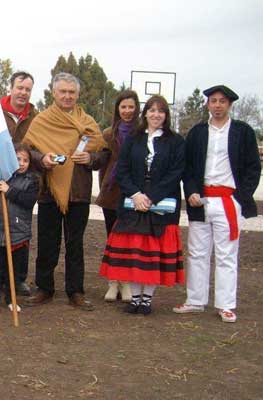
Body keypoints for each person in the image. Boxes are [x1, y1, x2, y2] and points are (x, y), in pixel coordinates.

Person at [173, 85, 260, 323]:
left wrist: (241, 197)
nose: (218, 105)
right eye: (213, 101)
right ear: (207, 104)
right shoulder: (198, 132)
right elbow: (188, 167)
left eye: (222, 101)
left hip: (229, 201)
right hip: (200, 200)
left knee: (226, 255)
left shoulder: (243, 132)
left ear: (230, 104)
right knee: (198, 252)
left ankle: (226, 304)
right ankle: (195, 300)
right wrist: (190, 190)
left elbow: (254, 167)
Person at [23, 72, 105, 311]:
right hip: (49, 191)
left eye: (72, 92)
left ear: (77, 95)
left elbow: (103, 154)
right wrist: (41, 158)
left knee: (75, 244)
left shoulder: (88, 123)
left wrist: (91, 158)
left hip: (78, 192)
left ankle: (75, 291)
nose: (67, 96)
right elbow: (27, 152)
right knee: (47, 242)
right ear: (54, 93)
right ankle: (44, 288)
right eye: (63, 92)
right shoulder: (41, 121)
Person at [99, 95, 186, 315]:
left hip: (161, 205)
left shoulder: (175, 141)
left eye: (161, 111)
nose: (156, 115)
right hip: (133, 203)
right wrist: (136, 194)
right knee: (136, 254)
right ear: (145, 113)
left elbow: (176, 172)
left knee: (152, 255)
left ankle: (147, 299)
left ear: (166, 115)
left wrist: (152, 197)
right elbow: (123, 169)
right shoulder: (134, 139)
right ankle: (135, 298)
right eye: (152, 110)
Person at [96, 90, 140, 303]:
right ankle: (113, 282)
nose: (127, 111)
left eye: (131, 106)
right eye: (123, 107)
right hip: (112, 193)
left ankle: (128, 282)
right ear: (117, 109)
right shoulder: (107, 134)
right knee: (112, 238)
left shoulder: (142, 133)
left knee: (130, 239)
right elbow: (102, 164)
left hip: (134, 193)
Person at [0, 143, 38, 314]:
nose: (21, 163)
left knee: (13, 269)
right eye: (17, 159)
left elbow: (28, 201)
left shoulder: (32, 181)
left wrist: (9, 191)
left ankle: (10, 298)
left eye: (25, 160)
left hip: (19, 233)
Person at [0, 71, 38, 296]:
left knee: (22, 230)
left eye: (28, 89)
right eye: (20, 87)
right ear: (11, 87)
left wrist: (39, 159)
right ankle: (0, 277)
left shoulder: (35, 115)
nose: (23, 92)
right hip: (1, 179)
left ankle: (19, 278)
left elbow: (39, 145)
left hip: (25, 179)